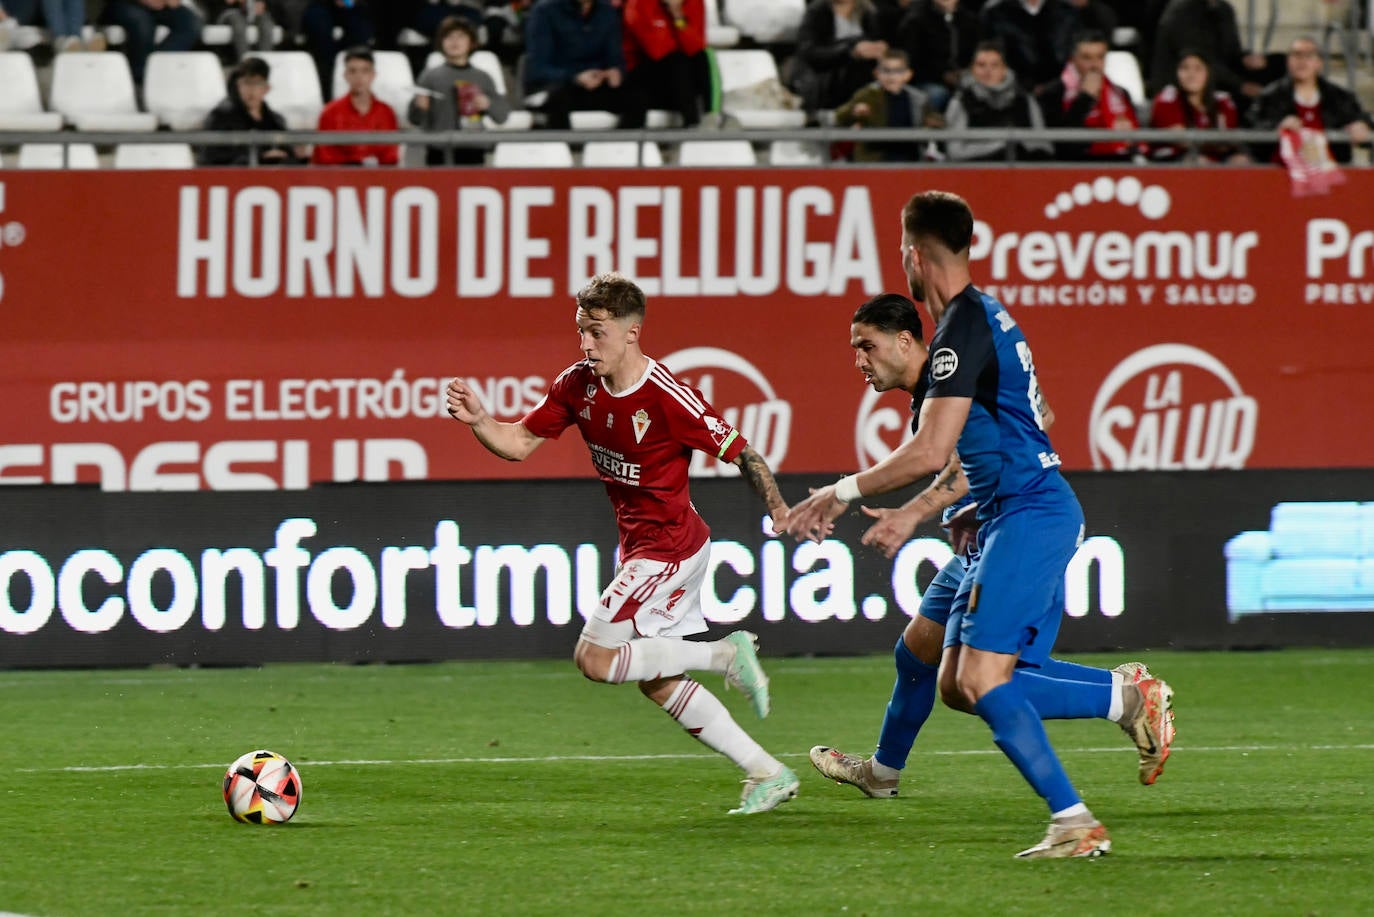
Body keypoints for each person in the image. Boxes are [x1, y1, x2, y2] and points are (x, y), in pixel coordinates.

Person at [786, 191, 1174, 858]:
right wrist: (938, 506)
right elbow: (1011, 425)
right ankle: (885, 771)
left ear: (914, 254)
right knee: (940, 670)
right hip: (1001, 520)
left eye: (866, 345)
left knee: (987, 680)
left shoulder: (962, 329)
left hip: (1028, 516)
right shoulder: (976, 324)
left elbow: (944, 451)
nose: (861, 358)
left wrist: (846, 492)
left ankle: (1091, 782)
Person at [445, 272, 800, 816]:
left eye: (598, 332)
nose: (587, 345)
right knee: (656, 682)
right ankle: (767, 771)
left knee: (594, 658)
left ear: (632, 332)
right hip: (641, 549)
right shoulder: (577, 385)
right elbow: (517, 443)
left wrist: (777, 508)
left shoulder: (666, 396)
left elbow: (744, 453)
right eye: (581, 331)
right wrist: (480, 420)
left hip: (671, 549)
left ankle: (726, 653)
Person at [1248, 36, 1372, 165]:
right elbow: (1253, 128)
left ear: (1319, 63)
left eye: (1309, 56)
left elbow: (1361, 119)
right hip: (1283, 171)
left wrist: (1362, 124)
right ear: (1288, 61)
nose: (1302, 62)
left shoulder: (1339, 97)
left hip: (1332, 171)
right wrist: (1277, 127)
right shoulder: (1269, 96)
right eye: (1297, 55)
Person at [523, 0, 642, 129]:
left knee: (637, 97)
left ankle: (622, 147)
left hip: (595, 85)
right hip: (556, 85)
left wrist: (616, 72)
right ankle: (563, 147)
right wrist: (575, 77)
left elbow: (615, 59)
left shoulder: (607, 11)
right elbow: (537, 69)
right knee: (558, 98)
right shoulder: (544, 11)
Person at [410, 17, 510, 165]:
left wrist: (488, 104)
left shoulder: (483, 77)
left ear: (471, 42)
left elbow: (502, 116)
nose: (454, 42)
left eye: (461, 36)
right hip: (439, 150)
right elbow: (414, 118)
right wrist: (420, 107)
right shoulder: (429, 76)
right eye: (449, 37)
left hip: (473, 148)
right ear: (441, 42)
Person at [1149, 0, 1274, 114]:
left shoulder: (1224, 10)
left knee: (1275, 65)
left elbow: (1232, 51)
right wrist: (1240, 85)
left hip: (1220, 83)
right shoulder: (1180, 12)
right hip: (1184, 91)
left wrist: (1246, 58)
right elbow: (1197, 61)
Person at [1037, 29, 1141, 161]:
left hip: (1119, 166)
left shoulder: (1120, 93)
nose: (1095, 65)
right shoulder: (1052, 94)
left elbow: (1137, 142)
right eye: (1087, 58)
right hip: (1075, 170)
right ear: (1073, 59)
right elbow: (1061, 146)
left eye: (1100, 57)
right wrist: (1085, 99)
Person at [944, 40, 1053, 161]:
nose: (987, 70)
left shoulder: (1025, 100)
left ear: (1004, 69)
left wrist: (1021, 146)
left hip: (1021, 172)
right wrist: (1002, 145)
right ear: (972, 70)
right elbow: (955, 152)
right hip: (976, 173)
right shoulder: (960, 102)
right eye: (981, 65)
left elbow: (1044, 146)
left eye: (994, 65)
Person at [834, 48, 936, 162]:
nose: (891, 76)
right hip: (875, 162)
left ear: (908, 74)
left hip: (911, 161)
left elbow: (935, 120)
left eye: (898, 71)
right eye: (886, 70)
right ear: (876, 73)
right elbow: (839, 117)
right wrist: (854, 111)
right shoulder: (867, 95)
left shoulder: (919, 98)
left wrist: (934, 122)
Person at [200, 56, 304, 166]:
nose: (251, 89)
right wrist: (260, 158)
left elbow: (289, 155)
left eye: (256, 83)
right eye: (246, 83)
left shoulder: (275, 120)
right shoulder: (220, 117)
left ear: (266, 88)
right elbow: (213, 158)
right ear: (238, 85)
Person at [622, 0, 710, 127]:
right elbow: (656, 49)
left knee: (704, 57)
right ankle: (693, 121)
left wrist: (677, 16)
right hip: (642, 75)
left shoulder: (694, 3)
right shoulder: (637, 4)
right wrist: (680, 41)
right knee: (678, 60)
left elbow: (696, 47)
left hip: (679, 78)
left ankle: (711, 115)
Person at [1149, 50, 1247, 163]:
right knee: (1199, 162)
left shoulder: (1222, 100)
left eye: (1198, 69)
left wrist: (1214, 141)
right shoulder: (1166, 99)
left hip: (1214, 158)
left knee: (1240, 160)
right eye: (1185, 68)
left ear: (1208, 72)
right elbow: (1181, 140)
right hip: (1174, 159)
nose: (1191, 75)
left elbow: (1228, 141)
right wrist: (1215, 140)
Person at [790, 0, 888, 112]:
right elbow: (808, 52)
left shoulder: (868, 11)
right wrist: (850, 52)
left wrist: (877, 50)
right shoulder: (817, 10)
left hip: (860, 78)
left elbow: (876, 40)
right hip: (824, 78)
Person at [312, 47, 401, 166]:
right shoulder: (330, 112)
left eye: (365, 71)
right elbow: (324, 155)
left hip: (378, 178)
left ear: (373, 75)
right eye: (353, 71)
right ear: (345, 75)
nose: (359, 77)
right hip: (338, 178)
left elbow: (390, 155)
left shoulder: (386, 113)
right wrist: (359, 163)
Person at [895, 0, 980, 113]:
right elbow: (913, 61)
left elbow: (978, 53)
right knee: (937, 94)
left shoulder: (970, 20)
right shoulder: (916, 19)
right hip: (927, 80)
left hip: (965, 77)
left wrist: (967, 71)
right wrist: (943, 75)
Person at [977, 0, 1079, 92]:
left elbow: (1078, 53)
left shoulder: (1068, 11)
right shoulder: (994, 13)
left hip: (1063, 91)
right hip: (1013, 93)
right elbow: (990, 56)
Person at [101, 0, 203, 84]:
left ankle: (157, 70)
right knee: (141, 24)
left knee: (191, 23)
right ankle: (140, 80)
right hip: (126, 4)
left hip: (163, 4)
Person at [300, 0, 374, 101]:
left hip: (352, 62)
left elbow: (363, 41)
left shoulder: (361, 11)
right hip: (325, 67)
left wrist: (350, 7)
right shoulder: (316, 12)